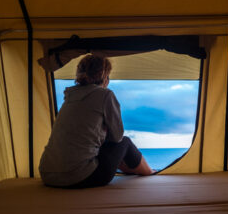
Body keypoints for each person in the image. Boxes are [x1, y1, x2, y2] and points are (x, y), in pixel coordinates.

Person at [39, 54, 154, 188]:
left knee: (101, 151)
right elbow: (117, 138)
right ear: (105, 76)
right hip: (79, 177)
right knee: (125, 142)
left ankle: (134, 170)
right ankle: (149, 172)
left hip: (47, 175)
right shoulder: (105, 95)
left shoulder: (69, 97)